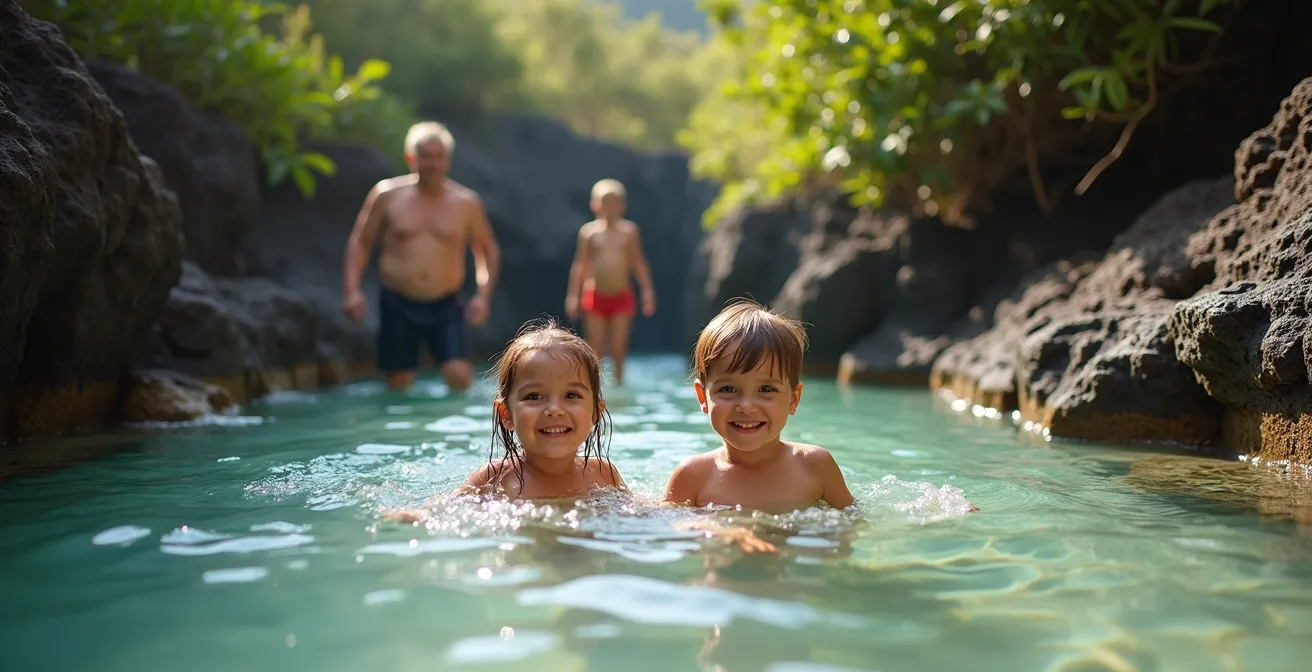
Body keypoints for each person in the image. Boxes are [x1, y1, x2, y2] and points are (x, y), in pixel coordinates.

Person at [394, 318, 626, 513]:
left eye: (572, 395)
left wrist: (664, 502)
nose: (554, 409)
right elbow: (440, 512)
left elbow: (642, 515)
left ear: (596, 411)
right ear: (507, 414)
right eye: (534, 396)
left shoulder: (604, 474)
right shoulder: (494, 480)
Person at [342, 121, 500, 393]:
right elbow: (361, 241)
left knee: (459, 374)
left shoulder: (466, 203)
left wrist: (483, 296)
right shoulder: (386, 195)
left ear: (448, 161)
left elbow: (487, 249)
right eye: (425, 156)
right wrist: (352, 290)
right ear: (410, 158)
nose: (432, 163)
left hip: (446, 302)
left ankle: (456, 433)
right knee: (399, 382)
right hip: (398, 301)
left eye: (438, 156)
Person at [663, 299, 856, 514]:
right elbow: (670, 528)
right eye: (728, 389)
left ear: (793, 400)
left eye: (766, 389)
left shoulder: (815, 466)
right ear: (703, 397)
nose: (746, 406)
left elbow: (854, 524)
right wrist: (720, 531)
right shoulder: (693, 476)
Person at [564, 178, 656, 385]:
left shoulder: (629, 232)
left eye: (614, 203)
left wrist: (647, 290)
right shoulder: (589, 232)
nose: (609, 208)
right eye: (604, 203)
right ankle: (595, 389)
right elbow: (581, 265)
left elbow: (637, 262)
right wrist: (573, 296)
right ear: (594, 205)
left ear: (622, 206)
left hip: (621, 295)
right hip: (595, 295)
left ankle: (619, 383)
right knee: (595, 347)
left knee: (618, 346)